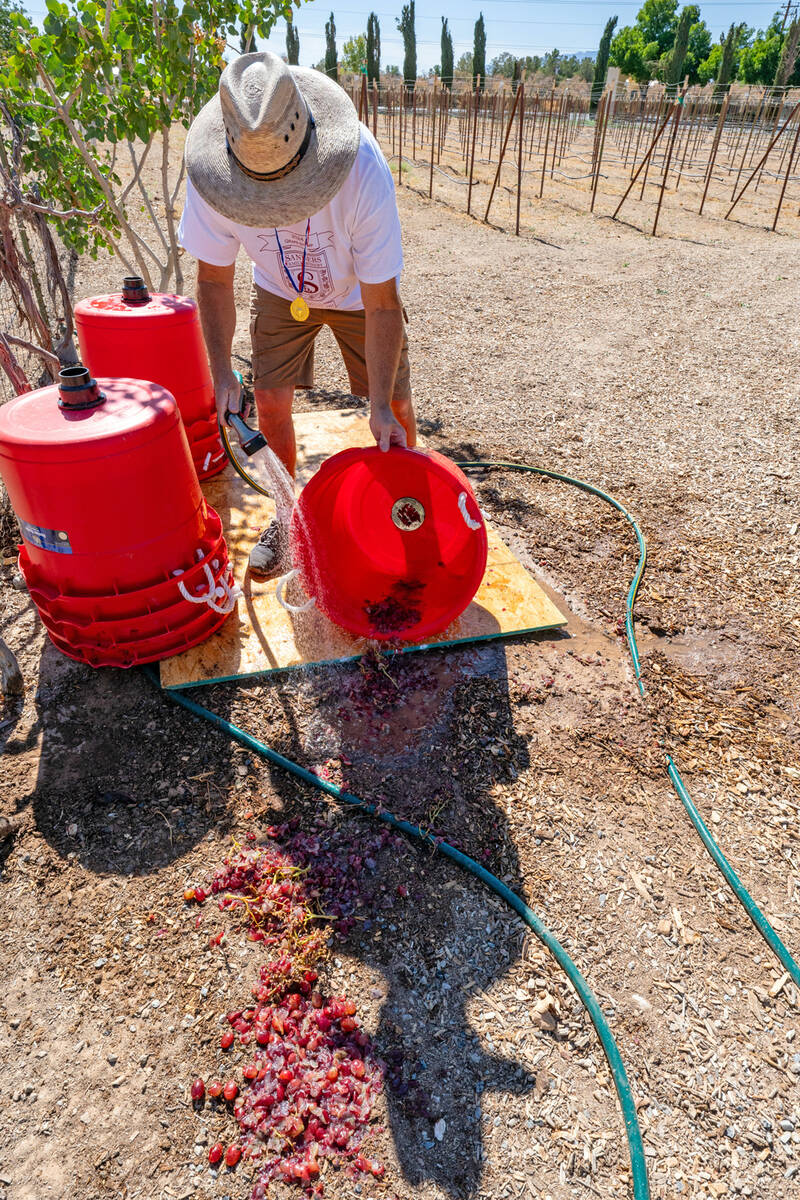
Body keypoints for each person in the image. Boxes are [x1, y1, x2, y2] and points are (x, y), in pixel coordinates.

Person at [178, 50, 416, 578]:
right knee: (268, 399)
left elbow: (382, 304)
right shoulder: (211, 178)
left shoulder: (362, 170)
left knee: (395, 407)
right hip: (281, 291)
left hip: (361, 297)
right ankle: (287, 520)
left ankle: (409, 513)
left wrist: (374, 405)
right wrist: (220, 373)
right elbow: (213, 280)